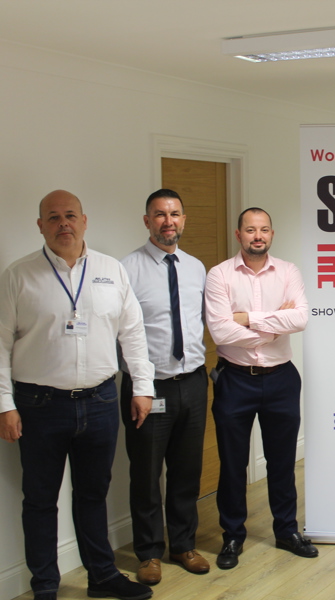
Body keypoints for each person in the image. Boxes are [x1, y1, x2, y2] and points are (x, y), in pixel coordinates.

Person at [0, 190, 155, 600]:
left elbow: (133, 334)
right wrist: (5, 404)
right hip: (39, 406)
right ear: (40, 226)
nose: (63, 223)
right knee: (39, 500)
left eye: (70, 215)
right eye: (53, 217)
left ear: (84, 221)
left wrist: (142, 386)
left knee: (92, 495)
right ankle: (45, 586)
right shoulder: (18, 275)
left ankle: (102, 578)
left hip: (101, 401)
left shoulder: (110, 270)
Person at [204, 207, 316, 569]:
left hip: (281, 378)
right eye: (250, 229)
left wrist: (248, 319)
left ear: (271, 234)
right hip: (235, 379)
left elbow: (300, 317)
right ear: (238, 234)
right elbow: (220, 331)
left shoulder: (288, 272)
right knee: (233, 465)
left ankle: (286, 531)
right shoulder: (219, 275)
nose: (258, 236)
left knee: (281, 463)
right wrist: (273, 327)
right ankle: (233, 536)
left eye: (264, 229)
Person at [120, 189, 210, 585]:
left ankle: (183, 544)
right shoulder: (128, 269)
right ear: (147, 221)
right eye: (159, 214)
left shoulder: (196, 268)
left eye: (174, 214)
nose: (167, 221)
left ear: (184, 219)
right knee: (145, 473)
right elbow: (123, 333)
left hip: (192, 381)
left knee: (187, 471)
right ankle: (149, 552)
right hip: (148, 388)